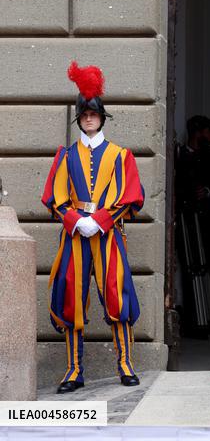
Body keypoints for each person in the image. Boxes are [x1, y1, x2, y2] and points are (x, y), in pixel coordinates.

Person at [41, 62, 144, 393]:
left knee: (117, 297)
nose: (89, 118)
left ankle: (125, 364)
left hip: (108, 235)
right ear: (78, 118)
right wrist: (77, 221)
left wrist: (97, 222)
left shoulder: (120, 156)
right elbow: (55, 198)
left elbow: (129, 197)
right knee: (72, 299)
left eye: (93, 113)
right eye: (84, 114)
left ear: (102, 117)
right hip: (74, 237)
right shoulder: (65, 156)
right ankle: (74, 370)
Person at [175, 114, 210, 338]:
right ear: (198, 132)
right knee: (192, 272)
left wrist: (207, 191)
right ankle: (197, 323)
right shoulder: (180, 155)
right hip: (188, 223)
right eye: (209, 131)